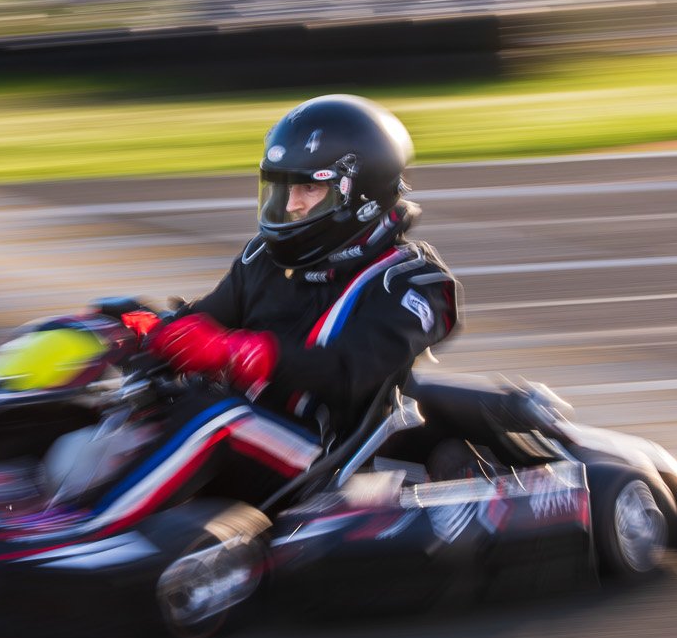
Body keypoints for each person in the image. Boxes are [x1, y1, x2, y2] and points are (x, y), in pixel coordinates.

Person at [77, 94, 462, 521]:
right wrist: (155, 332)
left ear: (362, 193)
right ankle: (20, 490)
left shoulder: (413, 282)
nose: (291, 203)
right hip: (246, 427)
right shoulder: (264, 258)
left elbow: (349, 371)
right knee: (111, 369)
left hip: (320, 461)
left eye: (309, 188)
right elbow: (209, 319)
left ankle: (80, 534)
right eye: (284, 187)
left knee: (214, 419)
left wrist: (240, 353)